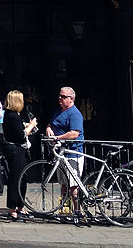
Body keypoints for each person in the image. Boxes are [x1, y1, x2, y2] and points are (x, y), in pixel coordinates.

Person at [45, 85, 84, 215]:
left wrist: (58, 137)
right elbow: (51, 124)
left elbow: (74, 133)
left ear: (71, 98)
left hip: (72, 153)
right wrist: (49, 129)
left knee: (73, 184)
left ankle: (77, 211)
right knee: (63, 183)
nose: (60, 98)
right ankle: (64, 209)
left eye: (63, 96)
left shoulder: (74, 114)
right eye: (59, 96)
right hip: (61, 153)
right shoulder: (58, 111)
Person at [2, 90, 38, 220]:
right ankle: (13, 208)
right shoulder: (12, 116)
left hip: (18, 150)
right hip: (15, 150)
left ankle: (20, 206)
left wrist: (25, 125)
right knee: (16, 178)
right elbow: (21, 135)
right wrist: (31, 125)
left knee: (22, 178)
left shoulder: (13, 116)